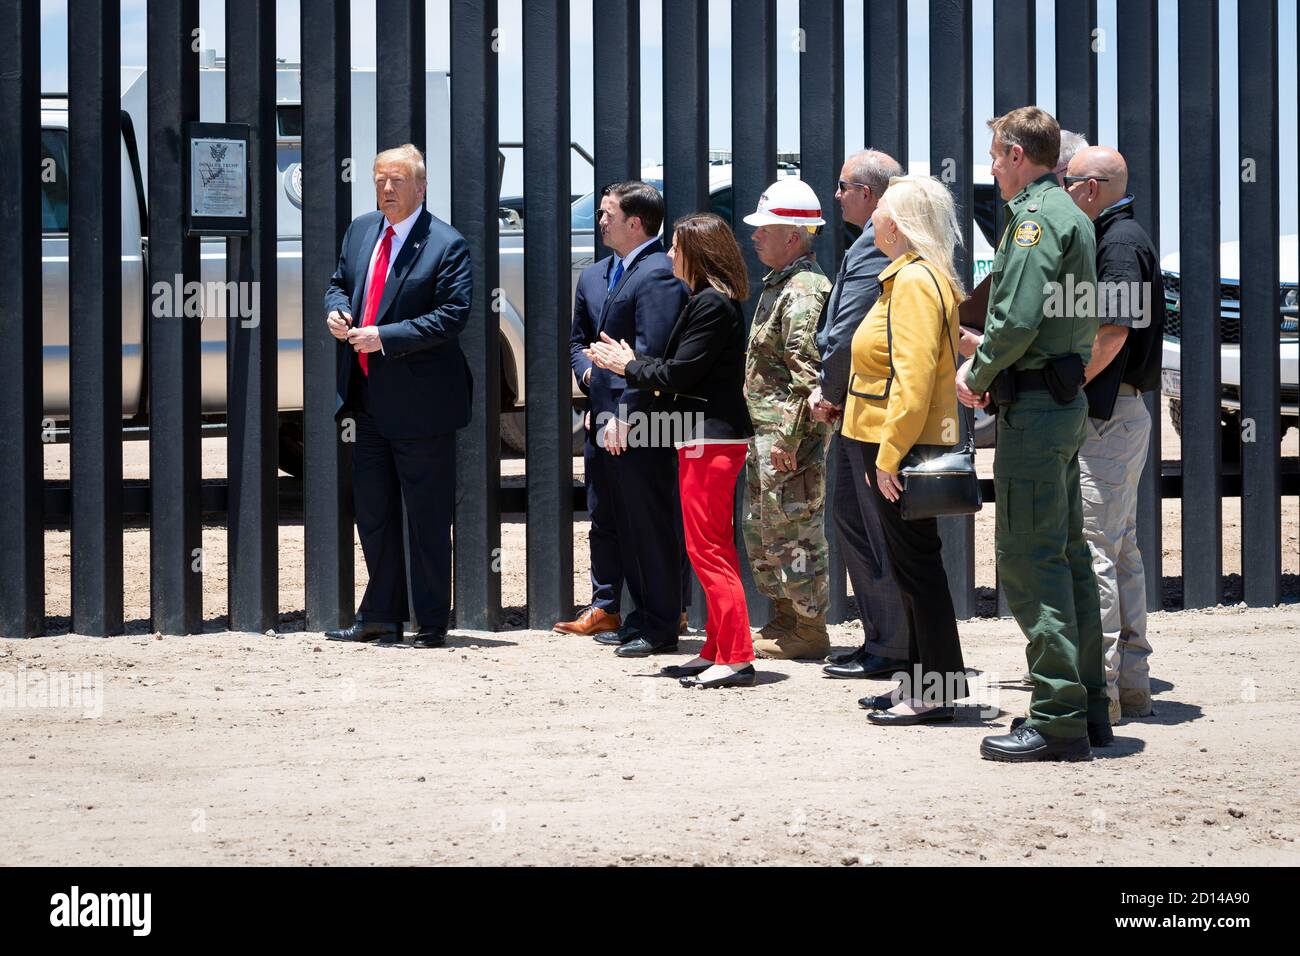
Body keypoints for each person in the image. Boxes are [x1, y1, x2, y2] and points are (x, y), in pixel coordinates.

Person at [956, 107, 1109, 762]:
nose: (992, 171)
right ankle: (1087, 705)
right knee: (1067, 555)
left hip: (1037, 410)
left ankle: (1056, 719)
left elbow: (1015, 318)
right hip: (1060, 405)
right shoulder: (1069, 213)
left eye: (994, 158)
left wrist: (977, 370)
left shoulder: (1037, 220)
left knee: (1030, 558)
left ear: (1017, 154)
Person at [587, 214, 757, 688]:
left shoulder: (712, 304)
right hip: (699, 436)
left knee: (709, 550)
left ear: (697, 254)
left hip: (712, 438)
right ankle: (717, 649)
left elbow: (679, 374)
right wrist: (631, 363)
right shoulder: (704, 301)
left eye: (676, 248)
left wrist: (628, 365)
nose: (668, 255)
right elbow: (676, 368)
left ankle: (738, 655)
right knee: (707, 547)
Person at [323, 144, 472, 648]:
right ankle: (381, 616)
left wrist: (384, 336)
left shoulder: (446, 244)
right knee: (375, 514)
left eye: (397, 181)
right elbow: (339, 282)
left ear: (421, 186)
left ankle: (430, 623)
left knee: (427, 520)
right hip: (367, 402)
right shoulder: (362, 229)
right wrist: (338, 311)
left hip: (423, 407)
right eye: (380, 180)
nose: (387, 189)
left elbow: (452, 316)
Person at [837, 175, 969, 725]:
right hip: (891, 442)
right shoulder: (914, 276)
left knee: (917, 570)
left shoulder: (914, 282)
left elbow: (912, 383)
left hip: (895, 446)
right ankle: (922, 682)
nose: (872, 221)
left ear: (899, 223)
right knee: (915, 568)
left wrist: (888, 455)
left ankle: (932, 690)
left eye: (881, 213)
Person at [1065, 144, 1165, 723]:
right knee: (1120, 548)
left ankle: (1098, 695)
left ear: (1091, 188)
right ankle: (1130, 687)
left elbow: (1114, 326)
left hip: (1107, 417)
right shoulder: (1124, 235)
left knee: (1097, 551)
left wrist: (1070, 385)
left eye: (1067, 180)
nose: (1061, 191)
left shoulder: (1118, 240)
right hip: (1122, 414)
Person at [570, 181, 690, 659]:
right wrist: (587, 376)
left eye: (606, 214)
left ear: (635, 223)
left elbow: (651, 355)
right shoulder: (598, 274)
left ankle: (660, 624)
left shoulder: (658, 273)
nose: (600, 221)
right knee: (614, 517)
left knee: (649, 524)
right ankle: (637, 616)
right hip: (602, 419)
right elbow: (580, 340)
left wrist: (627, 417)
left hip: (640, 424)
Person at [809, 149, 911, 681]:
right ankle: (880, 640)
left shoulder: (877, 241)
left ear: (867, 194)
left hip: (865, 410)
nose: (837, 195)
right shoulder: (873, 239)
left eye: (843, 186)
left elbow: (846, 334)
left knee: (870, 529)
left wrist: (828, 390)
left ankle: (892, 647)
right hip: (859, 408)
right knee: (854, 524)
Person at [740, 179, 833, 660]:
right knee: (764, 531)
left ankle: (810, 629)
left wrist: (790, 437)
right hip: (771, 434)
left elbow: (808, 376)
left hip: (788, 437)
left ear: (793, 236)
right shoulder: (783, 285)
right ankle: (784, 620)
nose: (754, 236)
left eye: (765, 229)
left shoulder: (803, 292)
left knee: (794, 532)